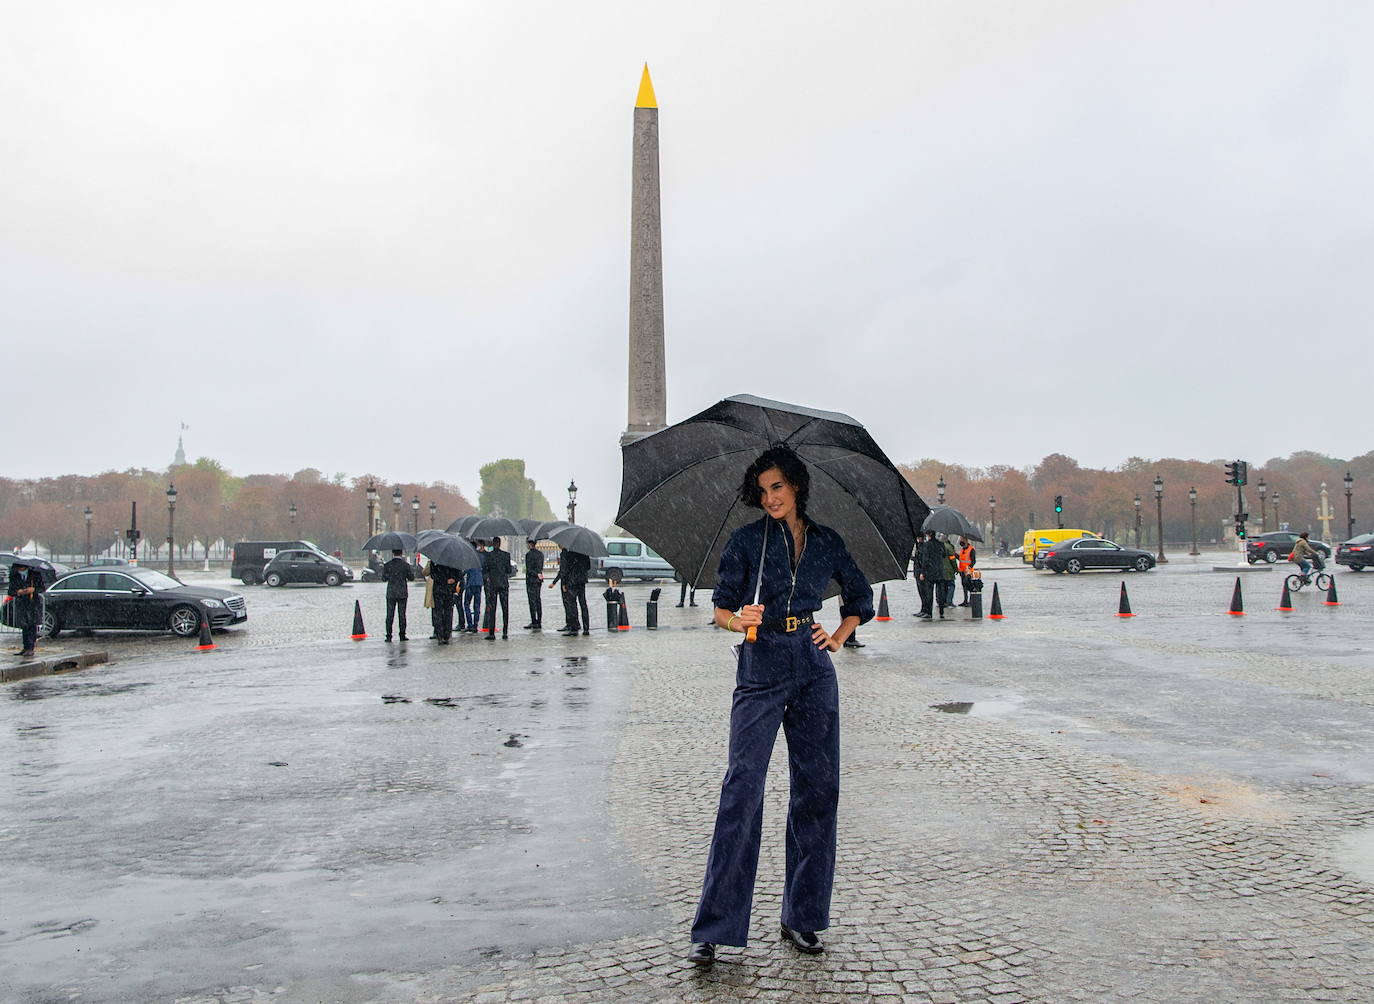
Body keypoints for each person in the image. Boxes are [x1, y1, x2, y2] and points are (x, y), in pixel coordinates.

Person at [688, 446, 873, 967]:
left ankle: (803, 916)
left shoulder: (827, 541)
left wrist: (836, 636)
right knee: (742, 788)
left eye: (778, 488)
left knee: (818, 790)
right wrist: (738, 619)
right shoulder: (746, 541)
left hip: (812, 668)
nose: (770, 498)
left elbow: (859, 597)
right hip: (760, 662)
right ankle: (717, 925)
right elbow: (720, 609)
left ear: (796, 488)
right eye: (763, 489)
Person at [7, 560, 47, 658]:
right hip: (22, 604)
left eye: (23, 568)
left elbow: (42, 588)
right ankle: (25, 647)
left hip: (33, 604)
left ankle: (30, 648)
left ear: (26, 568)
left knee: (32, 626)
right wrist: (18, 592)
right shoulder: (14, 576)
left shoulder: (35, 575)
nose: (21, 570)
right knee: (24, 626)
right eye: (19, 569)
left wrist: (34, 589)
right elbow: (11, 591)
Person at [381, 549, 415, 642]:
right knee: (402, 614)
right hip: (402, 592)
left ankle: (389, 635)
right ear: (401, 553)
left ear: (393, 553)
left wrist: (390, 576)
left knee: (389, 615)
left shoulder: (388, 565)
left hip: (391, 592)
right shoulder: (405, 565)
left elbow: (383, 578)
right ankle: (402, 635)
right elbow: (411, 578)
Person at [482, 537, 512, 640]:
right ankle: (505, 631)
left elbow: (485, 570)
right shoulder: (506, 555)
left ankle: (491, 632)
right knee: (505, 608)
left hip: (493, 585)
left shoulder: (489, 556)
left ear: (493, 544)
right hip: (503, 584)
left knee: (492, 609)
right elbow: (509, 570)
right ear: (499, 544)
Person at [430, 561, 460, 643]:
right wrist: (452, 579)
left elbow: (433, 575)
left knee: (440, 612)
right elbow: (458, 574)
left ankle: (441, 635)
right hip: (447, 590)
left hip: (440, 590)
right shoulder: (452, 561)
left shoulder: (435, 561)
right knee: (447, 612)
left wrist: (447, 580)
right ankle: (445, 635)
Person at [913, 530, 940, 619]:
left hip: (923, 573)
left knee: (926, 593)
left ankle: (927, 611)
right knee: (922, 593)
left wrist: (922, 572)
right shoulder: (920, 546)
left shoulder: (925, 546)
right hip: (919, 572)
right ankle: (924, 609)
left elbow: (924, 560)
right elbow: (918, 560)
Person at [549, 544, 575, 632]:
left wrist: (562, 583)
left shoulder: (564, 554)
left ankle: (570, 624)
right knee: (572, 604)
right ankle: (575, 623)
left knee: (568, 604)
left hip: (567, 582)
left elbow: (563, 571)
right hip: (572, 581)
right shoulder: (570, 553)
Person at [523, 539, 544, 630]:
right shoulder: (540, 554)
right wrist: (538, 574)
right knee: (538, 600)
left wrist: (534, 574)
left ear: (530, 544)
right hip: (538, 580)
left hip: (531, 580)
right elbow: (540, 567)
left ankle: (534, 620)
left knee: (532, 601)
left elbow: (529, 569)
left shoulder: (529, 555)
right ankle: (539, 621)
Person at [462, 544, 484, 634]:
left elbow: (465, 571)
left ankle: (470, 624)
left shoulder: (469, 558)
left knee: (466, 604)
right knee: (477, 605)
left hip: (471, 583)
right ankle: (475, 624)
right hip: (479, 583)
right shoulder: (481, 557)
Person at [956, 536, 977, 606]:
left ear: (966, 540)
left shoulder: (971, 549)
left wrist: (968, 570)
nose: (960, 541)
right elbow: (961, 559)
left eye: (961, 540)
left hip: (968, 571)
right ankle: (965, 600)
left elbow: (973, 561)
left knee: (968, 585)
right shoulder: (962, 549)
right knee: (964, 585)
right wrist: (955, 555)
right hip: (962, 571)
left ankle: (971, 601)